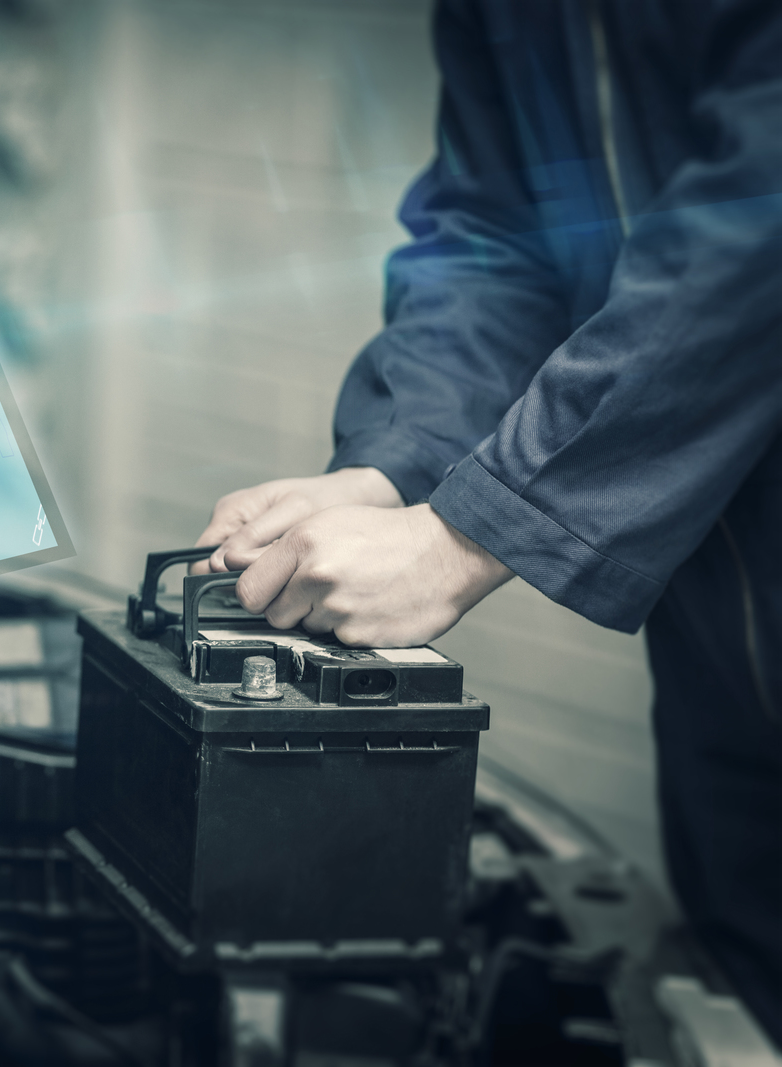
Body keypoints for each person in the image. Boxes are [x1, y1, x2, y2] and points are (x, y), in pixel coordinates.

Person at [195, 0, 782, 1044]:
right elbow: (495, 238)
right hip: (723, 657)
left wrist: (463, 532)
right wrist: (392, 464)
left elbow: (756, 222)